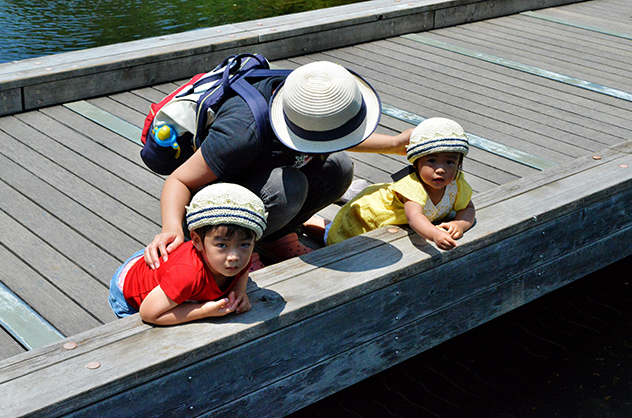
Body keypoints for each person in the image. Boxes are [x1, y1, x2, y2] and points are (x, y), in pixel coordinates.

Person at [144, 60, 412, 269]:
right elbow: (178, 181)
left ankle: (275, 236)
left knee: (339, 168)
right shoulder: (241, 134)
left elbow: (333, 135)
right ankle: (240, 245)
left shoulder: (310, 100)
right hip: (220, 192)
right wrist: (170, 230)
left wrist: (393, 143)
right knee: (286, 188)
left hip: (259, 171)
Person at [108, 183, 267, 325]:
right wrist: (203, 311)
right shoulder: (187, 275)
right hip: (131, 293)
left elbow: (243, 272)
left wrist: (238, 291)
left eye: (245, 244)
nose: (234, 256)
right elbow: (149, 313)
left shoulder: (237, 261)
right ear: (197, 241)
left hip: (168, 270)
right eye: (222, 245)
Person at [307, 117, 475, 250]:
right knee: (337, 237)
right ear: (416, 163)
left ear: (459, 164)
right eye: (431, 161)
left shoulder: (456, 183)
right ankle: (307, 223)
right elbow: (414, 217)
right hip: (367, 217)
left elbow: (468, 207)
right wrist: (434, 234)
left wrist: (460, 223)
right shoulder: (414, 187)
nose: (440, 169)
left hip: (390, 221)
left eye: (450, 162)